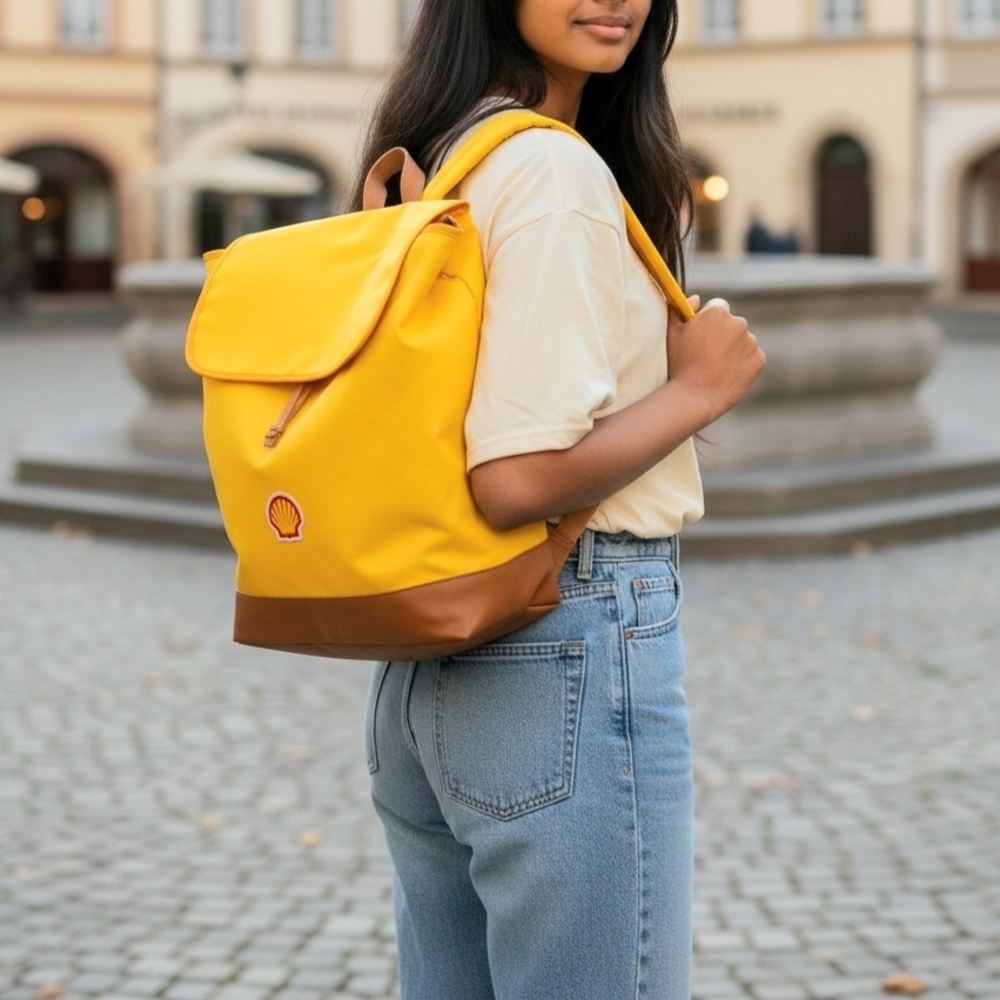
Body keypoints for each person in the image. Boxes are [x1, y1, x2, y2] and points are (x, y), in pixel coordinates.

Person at [350, 2, 765, 997]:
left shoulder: (431, 163)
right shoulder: (552, 170)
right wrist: (697, 392)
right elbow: (514, 481)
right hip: (564, 633)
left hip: (424, 664)